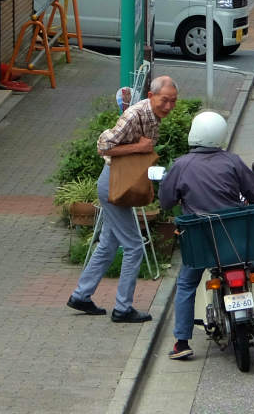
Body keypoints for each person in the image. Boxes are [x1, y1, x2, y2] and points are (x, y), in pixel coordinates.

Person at [158, 112, 254, 361]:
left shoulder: (181, 165)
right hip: (233, 235)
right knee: (247, 259)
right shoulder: (232, 161)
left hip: (201, 239)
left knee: (187, 284)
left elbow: (166, 201)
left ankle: (181, 342)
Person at [67, 76, 179, 323]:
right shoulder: (135, 115)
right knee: (134, 246)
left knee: (108, 243)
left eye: (173, 101)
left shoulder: (152, 115)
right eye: (164, 100)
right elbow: (103, 146)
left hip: (120, 183)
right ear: (151, 97)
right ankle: (122, 308)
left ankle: (81, 295)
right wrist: (138, 149)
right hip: (113, 185)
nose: (169, 106)